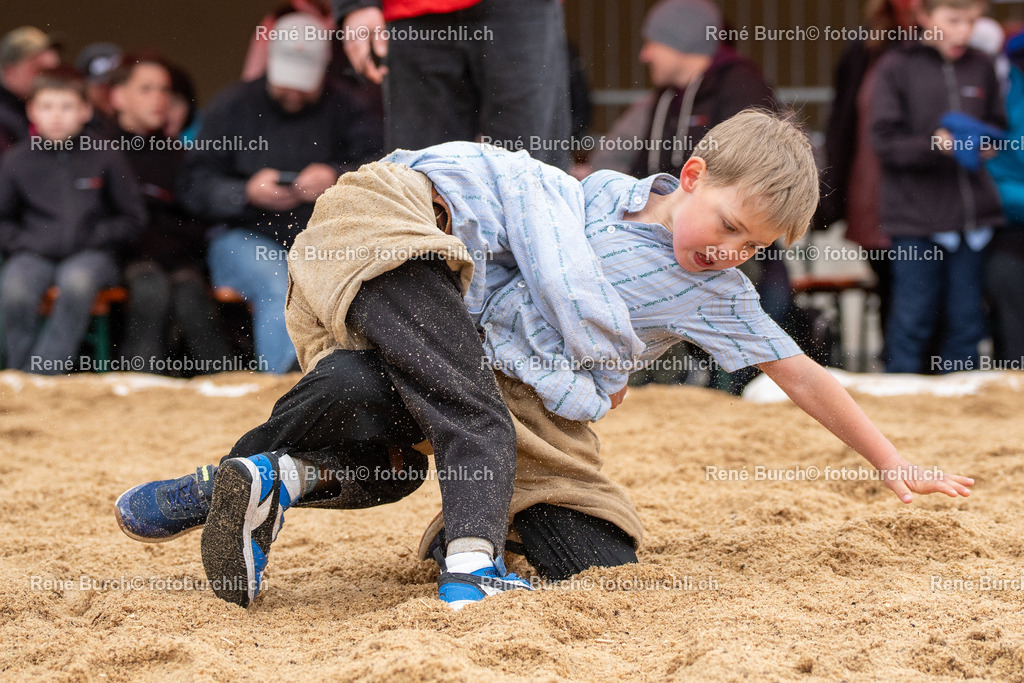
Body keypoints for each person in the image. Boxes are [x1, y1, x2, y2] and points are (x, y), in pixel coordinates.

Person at [115, 110, 973, 612]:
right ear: (692, 175)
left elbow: (802, 375)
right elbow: (495, 238)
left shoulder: (719, 297)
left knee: (573, 550)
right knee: (383, 390)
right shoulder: (587, 200)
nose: (732, 254)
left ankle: (253, 480)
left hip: (514, 404)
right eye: (728, 226)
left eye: (756, 247)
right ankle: (458, 563)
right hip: (431, 314)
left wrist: (893, 460)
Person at [588, 0, 786, 392]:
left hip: (729, 246)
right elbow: (643, 165)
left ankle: (728, 389)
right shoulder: (666, 97)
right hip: (672, 240)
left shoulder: (740, 87)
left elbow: (761, 178)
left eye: (652, 42)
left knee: (741, 318)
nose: (645, 54)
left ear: (679, 43)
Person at [178, 12, 383, 373]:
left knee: (353, 284)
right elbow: (193, 184)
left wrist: (336, 177)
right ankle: (288, 391)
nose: (292, 91)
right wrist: (244, 192)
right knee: (279, 284)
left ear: (323, 70)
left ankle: (347, 386)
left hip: (326, 236)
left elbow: (383, 168)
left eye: (303, 83)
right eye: (285, 80)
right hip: (244, 235)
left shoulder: (350, 107)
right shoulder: (232, 106)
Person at [870, 0, 1006, 374]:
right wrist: (936, 144)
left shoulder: (982, 64)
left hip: (973, 219)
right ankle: (899, 405)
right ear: (924, 17)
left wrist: (988, 144)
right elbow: (883, 141)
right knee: (913, 318)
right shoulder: (896, 66)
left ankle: (960, 413)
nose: (964, 30)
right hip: (916, 221)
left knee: (967, 321)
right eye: (954, 20)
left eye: (972, 21)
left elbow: (997, 123)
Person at [0, 67, 145, 374]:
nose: (56, 116)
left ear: (85, 110)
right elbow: (3, 220)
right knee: (14, 289)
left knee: (77, 284)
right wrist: (26, 242)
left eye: (66, 107)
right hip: (32, 253)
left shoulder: (105, 155)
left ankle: (40, 376)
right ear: (31, 110)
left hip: (92, 254)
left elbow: (133, 218)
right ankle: (17, 375)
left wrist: (94, 236)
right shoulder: (15, 160)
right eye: (47, 106)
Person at [333, 0, 572, 169]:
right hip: (412, 11)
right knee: (421, 176)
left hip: (521, 8)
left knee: (534, 169)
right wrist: (356, 3)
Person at [108, 54, 231, 372]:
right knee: (151, 286)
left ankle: (227, 385)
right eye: (146, 89)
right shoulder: (99, 151)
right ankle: (139, 381)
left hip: (176, 260)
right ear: (118, 96)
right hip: (120, 257)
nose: (159, 99)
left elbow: (196, 218)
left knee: (190, 292)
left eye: (164, 90)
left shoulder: (179, 155)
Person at [821, 0, 921, 349]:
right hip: (873, 195)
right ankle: (899, 375)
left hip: (930, 198)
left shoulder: (946, 45)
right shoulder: (866, 47)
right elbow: (842, 124)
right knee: (892, 291)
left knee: (932, 299)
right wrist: (831, 197)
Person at [984, 30, 1024, 363]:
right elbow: (993, 166)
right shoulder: (1003, 89)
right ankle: (1015, 371)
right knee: (1005, 275)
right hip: (1010, 223)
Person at [0, 27, 60, 160]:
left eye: (53, 71)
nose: (47, 79)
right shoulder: (5, 120)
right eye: (39, 69)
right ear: (10, 73)